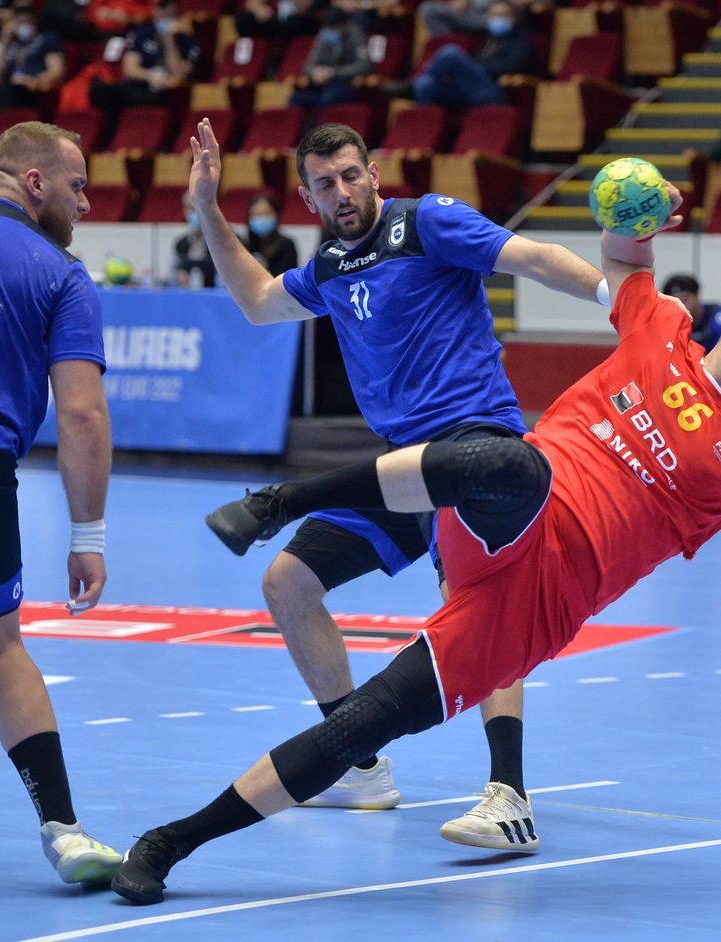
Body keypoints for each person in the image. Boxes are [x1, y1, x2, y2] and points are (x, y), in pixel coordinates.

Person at [111, 187, 721, 905]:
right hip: (515, 510)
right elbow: (625, 256)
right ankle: (280, 501)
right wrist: (637, 213)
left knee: (361, 727)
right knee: (511, 459)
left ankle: (168, 842)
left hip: (544, 598)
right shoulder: (660, 325)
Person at [183, 117, 607, 848]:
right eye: (324, 184)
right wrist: (208, 210)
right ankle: (360, 765)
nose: (341, 192)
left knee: (478, 606)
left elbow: (531, 256)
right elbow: (256, 302)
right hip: (396, 463)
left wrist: (614, 297)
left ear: (373, 174)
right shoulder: (328, 269)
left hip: (476, 446)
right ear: (309, 198)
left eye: (351, 175)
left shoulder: (429, 223)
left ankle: (510, 796)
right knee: (288, 584)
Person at [0, 121, 120, 885]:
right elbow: (81, 414)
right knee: (0, 652)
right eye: (77, 186)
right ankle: (65, 832)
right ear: (34, 183)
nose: (86, 203)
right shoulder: (58, 272)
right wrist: (88, 533)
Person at [382, 0, 534, 109]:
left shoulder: (522, 40)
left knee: (450, 53)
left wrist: (474, 68)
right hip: (472, 90)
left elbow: (510, 66)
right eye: (493, 15)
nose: (498, 20)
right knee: (426, 84)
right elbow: (476, 59)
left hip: (494, 92)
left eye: (503, 15)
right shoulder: (489, 40)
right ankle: (423, 138)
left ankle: (410, 86)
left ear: (516, 18)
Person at [88, 0, 200, 142]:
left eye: (166, 8)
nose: (162, 13)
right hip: (142, 85)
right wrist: (151, 76)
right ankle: (106, 142)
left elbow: (179, 73)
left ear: (176, 11)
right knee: (100, 90)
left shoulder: (186, 41)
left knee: (170, 97)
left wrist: (169, 40)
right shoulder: (142, 34)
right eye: (159, 8)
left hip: (166, 91)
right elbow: (130, 69)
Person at [287, 7, 373, 114]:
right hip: (323, 84)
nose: (330, 31)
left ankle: (322, 130)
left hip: (347, 84)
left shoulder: (356, 35)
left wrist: (333, 72)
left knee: (327, 98)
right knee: (296, 98)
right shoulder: (324, 35)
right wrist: (316, 72)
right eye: (328, 27)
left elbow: (365, 66)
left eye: (334, 27)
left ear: (345, 25)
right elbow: (308, 66)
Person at [661, 272, 721, 348]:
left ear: (697, 295)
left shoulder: (719, 321)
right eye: (674, 303)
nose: (680, 306)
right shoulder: (664, 324)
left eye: (685, 300)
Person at [240, 193, 298, 277]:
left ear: (276, 215)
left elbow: (289, 280)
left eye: (266, 213)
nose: (261, 218)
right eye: (255, 214)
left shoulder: (287, 244)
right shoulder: (243, 245)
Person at [172, 189, 218, 287]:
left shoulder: (222, 243)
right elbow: (174, 272)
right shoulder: (180, 244)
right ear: (185, 211)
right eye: (192, 209)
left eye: (199, 208)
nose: (196, 212)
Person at [235, 0, 318, 40]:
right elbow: (250, 3)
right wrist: (258, 9)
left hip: (301, 21)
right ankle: (258, 52)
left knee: (295, 21)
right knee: (244, 19)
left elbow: (303, 9)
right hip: (277, 21)